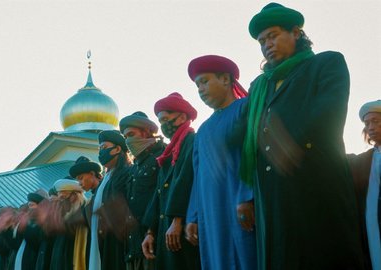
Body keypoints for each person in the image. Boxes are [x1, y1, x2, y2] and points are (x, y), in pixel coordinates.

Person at [242, 3, 365, 269]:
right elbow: (247, 132)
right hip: (273, 194)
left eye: (273, 35)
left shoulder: (327, 63)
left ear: (296, 32)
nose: (267, 45)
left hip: (316, 184)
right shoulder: (261, 86)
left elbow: (328, 114)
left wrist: (286, 144)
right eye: (262, 41)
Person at [185, 55, 256, 270]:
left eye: (204, 81)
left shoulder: (246, 108)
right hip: (210, 212)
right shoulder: (203, 130)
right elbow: (198, 175)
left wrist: (247, 196)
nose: (200, 90)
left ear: (225, 79)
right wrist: (193, 215)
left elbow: (253, 151)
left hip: (238, 205)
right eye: (197, 85)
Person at [142, 92, 200, 269]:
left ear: (182, 117)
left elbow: (187, 180)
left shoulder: (192, 141)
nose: (164, 125)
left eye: (167, 119)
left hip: (184, 228)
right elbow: (159, 193)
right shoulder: (168, 153)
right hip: (166, 230)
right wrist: (151, 231)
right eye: (160, 122)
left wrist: (177, 220)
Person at [119, 111, 165, 270]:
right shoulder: (133, 168)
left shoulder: (162, 156)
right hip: (134, 248)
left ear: (146, 132)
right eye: (125, 137)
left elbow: (162, 198)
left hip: (154, 243)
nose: (128, 141)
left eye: (131, 134)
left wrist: (151, 232)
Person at [88, 130, 132, 270]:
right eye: (99, 149)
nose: (101, 152)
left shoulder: (126, 172)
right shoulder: (106, 179)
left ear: (118, 148)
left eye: (105, 148)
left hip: (120, 241)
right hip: (104, 239)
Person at [348, 100, 381, 270]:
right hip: (372, 229)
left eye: (376, 121)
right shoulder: (364, 160)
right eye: (367, 123)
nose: (371, 127)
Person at [48, 178, 90, 270]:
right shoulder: (64, 216)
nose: (61, 202)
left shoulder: (85, 213)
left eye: (63, 198)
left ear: (74, 195)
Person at [14, 189, 48, 270]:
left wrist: (25, 226)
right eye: (29, 206)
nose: (29, 209)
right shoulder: (30, 222)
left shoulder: (45, 223)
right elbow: (15, 245)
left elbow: (35, 243)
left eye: (32, 205)